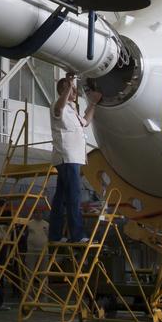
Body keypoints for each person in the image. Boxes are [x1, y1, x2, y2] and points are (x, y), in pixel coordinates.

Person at [48, 74, 98, 243]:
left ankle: (55, 235)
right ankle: (77, 235)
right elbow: (59, 108)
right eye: (72, 89)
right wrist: (69, 84)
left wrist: (93, 103)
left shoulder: (72, 110)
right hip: (67, 157)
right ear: (64, 90)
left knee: (61, 197)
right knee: (73, 196)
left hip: (73, 158)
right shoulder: (58, 106)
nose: (75, 91)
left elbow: (85, 122)